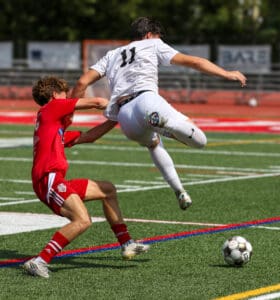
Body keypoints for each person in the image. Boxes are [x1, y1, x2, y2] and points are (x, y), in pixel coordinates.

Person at [71, 17, 247, 211]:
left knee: (153, 144)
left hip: (125, 119)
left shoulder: (112, 54)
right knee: (200, 141)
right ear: (148, 35)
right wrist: (227, 74)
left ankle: (179, 190)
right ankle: (163, 123)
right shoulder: (153, 43)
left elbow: (81, 83)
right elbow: (194, 62)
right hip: (146, 101)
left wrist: (68, 114)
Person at [23, 76, 149, 278]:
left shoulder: (55, 126)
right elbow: (97, 102)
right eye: (65, 95)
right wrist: (126, 106)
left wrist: (116, 118)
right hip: (48, 179)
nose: (68, 101)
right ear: (55, 95)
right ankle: (39, 261)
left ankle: (127, 244)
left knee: (107, 190)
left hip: (54, 179)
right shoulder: (52, 108)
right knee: (82, 220)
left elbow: (90, 136)